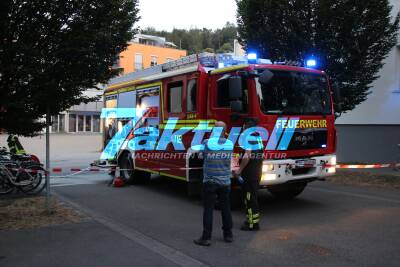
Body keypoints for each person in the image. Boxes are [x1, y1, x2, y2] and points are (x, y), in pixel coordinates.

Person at [194, 121, 234, 246]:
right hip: (225, 181)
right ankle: (228, 235)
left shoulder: (207, 143)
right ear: (225, 131)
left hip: (210, 181)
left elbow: (200, 156)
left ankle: (206, 237)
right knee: (226, 208)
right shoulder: (230, 143)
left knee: (209, 209)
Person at [233, 120, 264, 231]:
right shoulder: (258, 137)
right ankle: (254, 221)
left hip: (250, 174)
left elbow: (247, 156)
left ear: (246, 127)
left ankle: (251, 224)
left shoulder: (248, 137)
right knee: (253, 197)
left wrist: (239, 170)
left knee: (249, 198)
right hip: (256, 172)